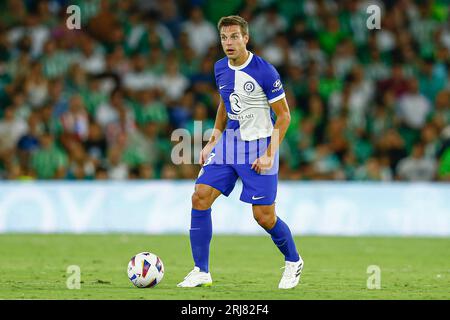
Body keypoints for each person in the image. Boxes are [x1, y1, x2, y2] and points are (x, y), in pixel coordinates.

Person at [177, 15, 303, 289]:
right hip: (228, 144)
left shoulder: (264, 71)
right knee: (199, 197)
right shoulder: (220, 68)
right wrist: (213, 139)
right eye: (224, 38)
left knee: (263, 216)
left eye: (234, 37)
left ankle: (293, 261)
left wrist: (270, 153)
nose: (229, 42)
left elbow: (284, 116)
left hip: (259, 145)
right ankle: (201, 270)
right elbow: (225, 103)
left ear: (246, 38)